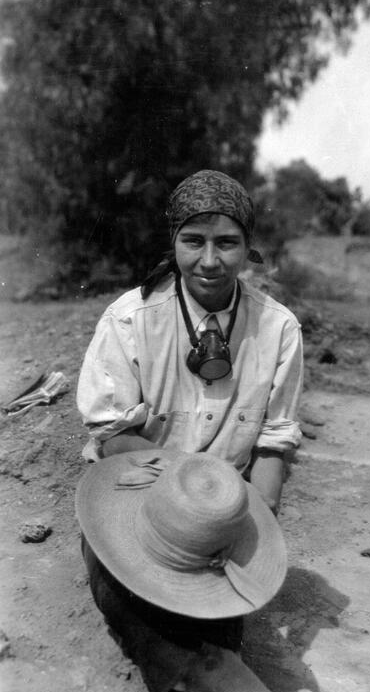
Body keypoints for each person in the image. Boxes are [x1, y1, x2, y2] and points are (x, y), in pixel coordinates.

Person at [77, 169, 304, 516]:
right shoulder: (129, 320)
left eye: (226, 243)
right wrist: (196, 486)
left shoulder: (280, 328)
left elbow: (274, 442)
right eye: (194, 241)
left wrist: (256, 512)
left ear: (247, 249)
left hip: (227, 505)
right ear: (174, 242)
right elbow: (112, 435)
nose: (210, 261)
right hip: (139, 491)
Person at [76, 450, 321, 692]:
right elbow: (117, 438)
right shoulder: (152, 515)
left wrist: (232, 511)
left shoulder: (213, 518)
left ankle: (211, 682)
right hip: (159, 506)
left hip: (206, 523)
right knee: (140, 613)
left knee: (216, 625)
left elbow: (272, 451)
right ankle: (220, 686)